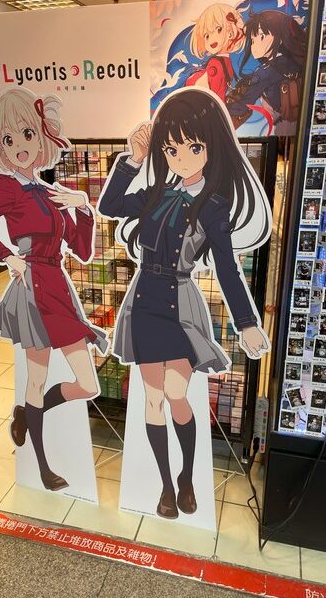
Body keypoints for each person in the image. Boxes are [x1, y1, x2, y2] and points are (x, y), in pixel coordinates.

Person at [98, 88, 271, 520]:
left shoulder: (214, 207)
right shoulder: (156, 192)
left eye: (193, 147)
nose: (182, 158)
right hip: (144, 300)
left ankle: (188, 478)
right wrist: (133, 159)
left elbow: (227, 269)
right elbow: (110, 205)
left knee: (177, 395)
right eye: (171, 149)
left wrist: (247, 323)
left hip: (178, 301)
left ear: (211, 147)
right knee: (152, 399)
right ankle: (165, 486)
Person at [0, 88, 108, 492]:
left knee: (88, 384)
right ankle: (44, 466)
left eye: (27, 134)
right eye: (8, 140)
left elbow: (82, 251)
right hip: (31, 287)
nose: (20, 147)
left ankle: (29, 414)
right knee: (36, 376)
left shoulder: (50, 191)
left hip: (57, 285)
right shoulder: (5, 187)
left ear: (43, 135)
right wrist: (7, 257)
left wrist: (83, 206)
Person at [226, 10, 307, 134]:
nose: (254, 45)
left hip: (284, 127)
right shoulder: (294, 61)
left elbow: (240, 106)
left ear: (280, 38)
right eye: (252, 40)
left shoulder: (266, 72)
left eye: (261, 36)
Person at [184, 4, 245, 102]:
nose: (212, 39)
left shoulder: (224, 61)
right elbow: (216, 95)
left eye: (219, 29)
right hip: (198, 102)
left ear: (230, 31)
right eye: (207, 36)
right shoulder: (216, 63)